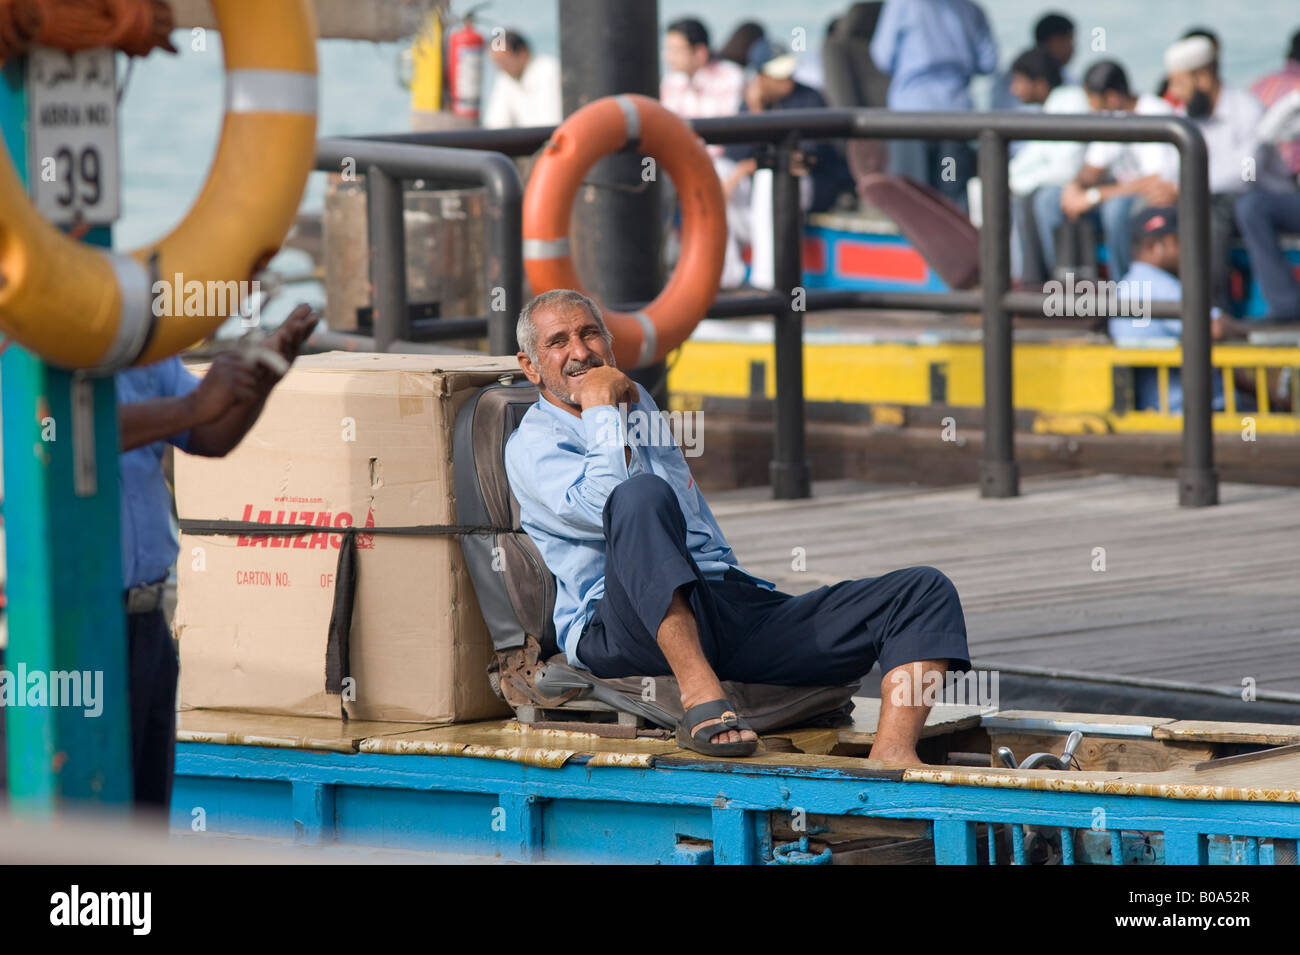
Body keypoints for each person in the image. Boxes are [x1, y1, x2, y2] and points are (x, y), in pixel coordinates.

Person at [504, 289, 971, 763]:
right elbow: (609, 504)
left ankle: (892, 755)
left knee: (923, 591)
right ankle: (699, 691)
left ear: (609, 343)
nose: (580, 352)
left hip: (718, 607)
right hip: (619, 625)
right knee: (641, 493)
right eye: (559, 342)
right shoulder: (532, 442)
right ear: (531, 366)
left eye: (589, 334)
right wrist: (601, 411)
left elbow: (693, 523)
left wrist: (733, 596)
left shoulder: (637, 401)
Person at [118, 304, 318, 810]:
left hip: (143, 622)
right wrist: (193, 408)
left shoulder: (132, 345)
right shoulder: (23, 344)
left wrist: (266, 377)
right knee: (75, 817)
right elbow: (53, 426)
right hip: (62, 629)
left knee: (143, 815)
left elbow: (209, 436)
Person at [1163, 34, 1294, 311]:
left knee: (1227, 209)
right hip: (1214, 199)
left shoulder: (1246, 109)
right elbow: (1171, 168)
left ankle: (1211, 310)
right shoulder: (1186, 117)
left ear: (1202, 77)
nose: (1174, 92)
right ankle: (1155, 308)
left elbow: (1245, 175)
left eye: (1179, 82)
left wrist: (1185, 187)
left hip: (1261, 198)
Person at [1034, 60, 1179, 282]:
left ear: (1111, 96)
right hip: (1117, 194)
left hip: (1150, 201)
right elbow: (1092, 169)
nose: (1090, 107)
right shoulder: (1112, 117)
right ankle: (1065, 283)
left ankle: (1122, 289)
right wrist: (1074, 189)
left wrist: (1093, 196)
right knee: (1048, 199)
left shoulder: (1155, 112)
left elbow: (1157, 182)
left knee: (1116, 209)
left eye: (1093, 99)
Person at [720, 53, 854, 288]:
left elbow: (802, 159)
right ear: (760, 78)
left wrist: (749, 167)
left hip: (814, 184)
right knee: (719, 171)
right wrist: (755, 112)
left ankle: (768, 283)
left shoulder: (809, 97)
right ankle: (726, 275)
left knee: (771, 175)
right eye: (778, 76)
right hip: (760, 198)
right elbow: (735, 154)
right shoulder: (751, 102)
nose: (787, 81)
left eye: (789, 74)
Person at [1109, 209, 1254, 413]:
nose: (1187, 250)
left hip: (1155, 410)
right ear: (1153, 247)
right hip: (1193, 413)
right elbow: (1215, 327)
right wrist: (1242, 329)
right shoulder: (1159, 284)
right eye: (1177, 242)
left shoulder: (1125, 285)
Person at [869, 0, 998, 209]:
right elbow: (988, 62)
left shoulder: (902, 5)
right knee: (951, 193)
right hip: (955, 120)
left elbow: (882, 57)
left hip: (909, 119)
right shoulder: (971, 10)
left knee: (910, 197)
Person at [1003, 48, 1089, 283]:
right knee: (1024, 198)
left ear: (1040, 85)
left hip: (1085, 185)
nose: (1013, 89)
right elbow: (1033, 157)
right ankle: (1033, 283)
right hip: (1065, 183)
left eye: (1019, 82)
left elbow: (1068, 169)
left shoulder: (1071, 102)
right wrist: (1011, 181)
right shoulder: (1054, 105)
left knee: (1046, 200)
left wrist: (1018, 182)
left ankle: (1063, 284)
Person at [1234, 30, 1300, 322]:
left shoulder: (1260, 86)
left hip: (1266, 194)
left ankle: (1283, 304)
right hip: (1284, 192)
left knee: (1250, 206)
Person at [992, 12, 1076, 110]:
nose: (1072, 48)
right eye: (1067, 41)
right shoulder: (1018, 73)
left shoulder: (1067, 77)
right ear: (1041, 86)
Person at [482, 30, 562, 129]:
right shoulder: (505, 77)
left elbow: (550, 122)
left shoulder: (549, 70)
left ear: (523, 52)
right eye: (498, 64)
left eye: (505, 61)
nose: (502, 68)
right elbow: (495, 124)